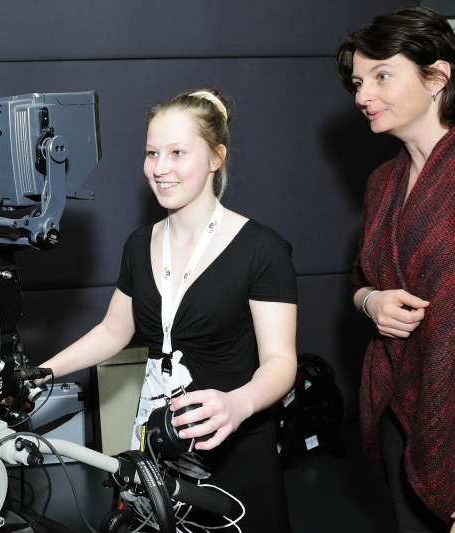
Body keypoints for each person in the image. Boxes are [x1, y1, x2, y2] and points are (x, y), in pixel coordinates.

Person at [37, 88, 298, 531]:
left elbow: (281, 362)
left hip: (233, 447)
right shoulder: (140, 244)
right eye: (152, 153)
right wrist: (43, 373)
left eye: (177, 152)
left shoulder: (262, 249)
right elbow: (113, 331)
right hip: (158, 439)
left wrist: (238, 404)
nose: (160, 168)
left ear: (216, 158)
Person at [337, 6, 455, 532]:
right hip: (404, 412)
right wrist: (372, 302)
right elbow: (360, 282)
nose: (362, 96)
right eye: (359, 82)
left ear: (437, 76)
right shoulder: (383, 181)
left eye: (381, 76)